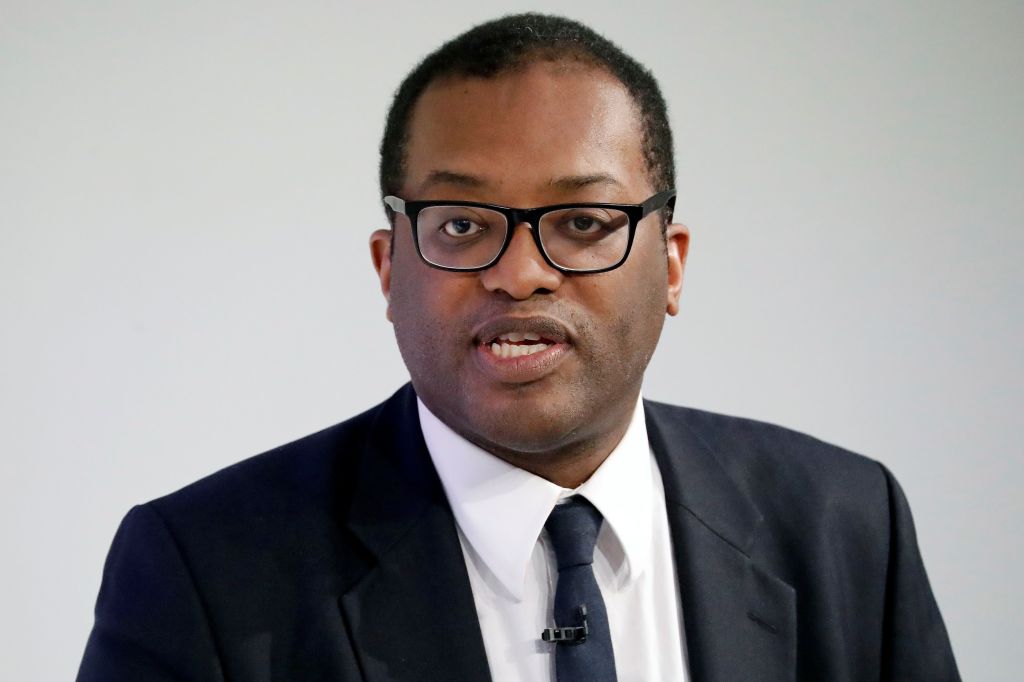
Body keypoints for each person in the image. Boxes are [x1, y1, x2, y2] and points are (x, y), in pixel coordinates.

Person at [77, 13, 960, 682]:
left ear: (673, 265)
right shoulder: (204, 567)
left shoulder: (849, 524)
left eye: (583, 222)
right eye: (462, 224)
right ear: (390, 268)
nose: (521, 272)